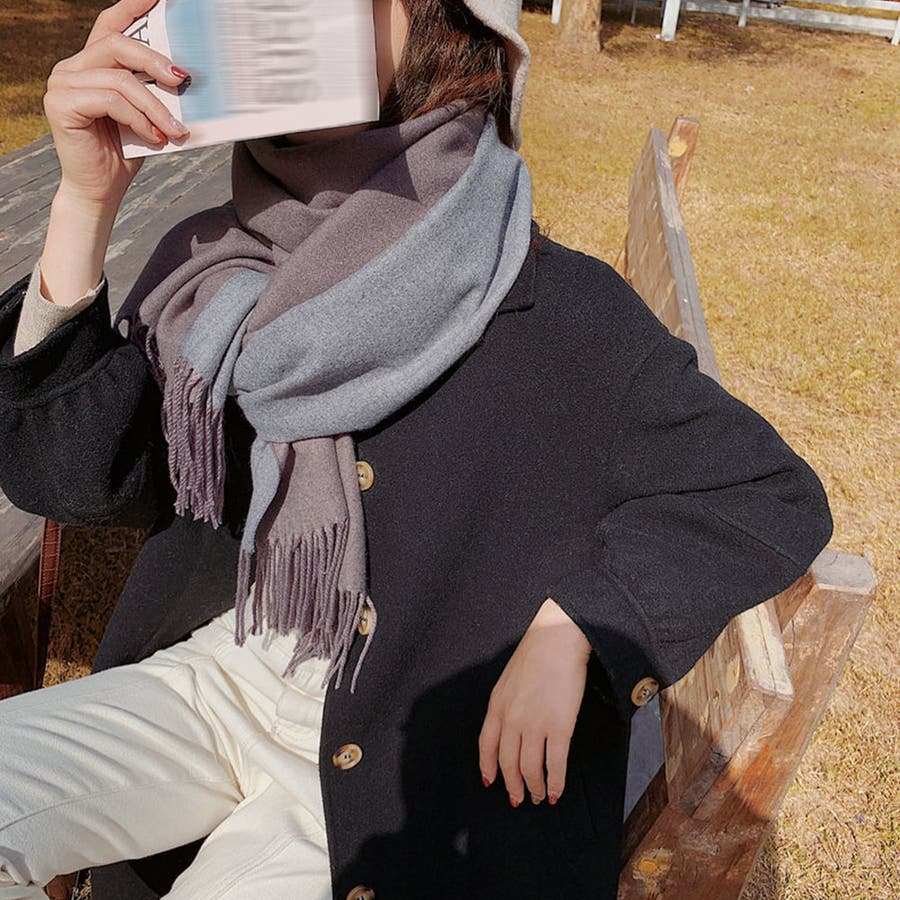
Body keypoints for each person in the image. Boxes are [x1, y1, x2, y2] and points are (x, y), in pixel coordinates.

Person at [0, 0, 834, 898]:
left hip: (399, 768)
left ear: (441, 20)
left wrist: (576, 627)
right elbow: (74, 483)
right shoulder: (218, 269)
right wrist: (87, 198)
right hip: (224, 674)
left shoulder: (554, 309)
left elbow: (767, 492)